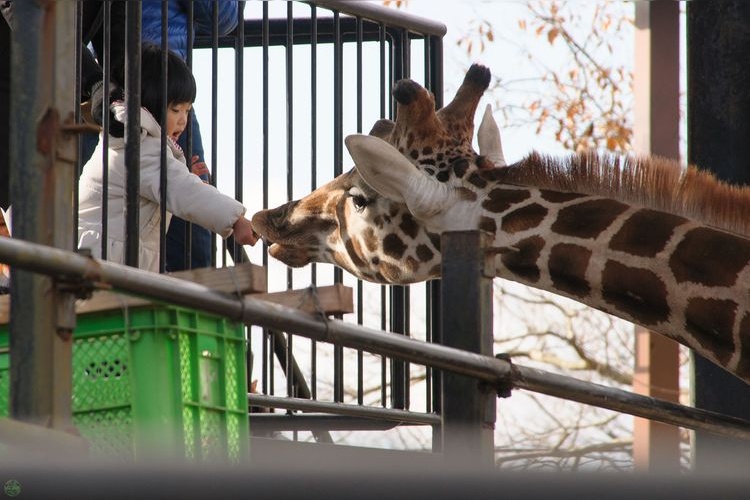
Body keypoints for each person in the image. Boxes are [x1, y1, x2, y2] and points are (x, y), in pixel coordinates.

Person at [77, 45, 257, 273]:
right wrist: (235, 220)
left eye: (188, 110)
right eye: (175, 110)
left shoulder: (136, 141)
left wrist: (183, 173)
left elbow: (179, 185)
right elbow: (184, 191)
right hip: (99, 262)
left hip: (105, 257)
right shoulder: (136, 146)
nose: (183, 121)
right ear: (148, 104)